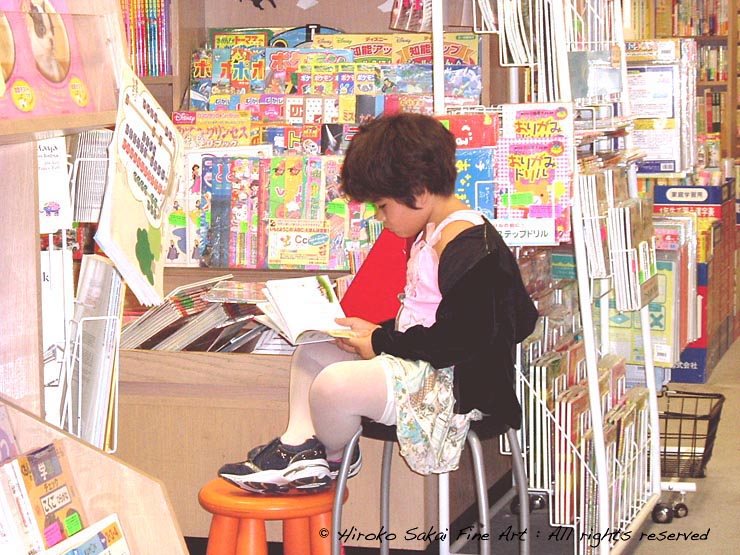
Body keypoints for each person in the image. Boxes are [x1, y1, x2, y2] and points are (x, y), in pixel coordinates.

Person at [218, 113, 539, 493]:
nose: (380, 217)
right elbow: (428, 320)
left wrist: (383, 343)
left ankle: (328, 458)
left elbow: (467, 336)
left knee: (334, 386)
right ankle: (298, 444)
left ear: (417, 192)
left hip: (450, 390)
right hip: (418, 367)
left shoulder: (469, 246)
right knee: (314, 351)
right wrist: (377, 331)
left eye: (383, 206)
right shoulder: (433, 233)